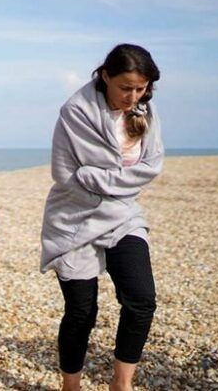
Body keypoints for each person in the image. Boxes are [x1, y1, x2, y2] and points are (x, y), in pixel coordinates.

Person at [40, 44, 163, 391]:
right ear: (105, 76)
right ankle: (71, 385)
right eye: (126, 87)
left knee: (141, 301)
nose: (133, 96)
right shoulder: (75, 112)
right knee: (82, 312)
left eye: (140, 89)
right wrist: (113, 183)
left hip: (123, 215)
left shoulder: (146, 111)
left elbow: (151, 167)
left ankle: (120, 385)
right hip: (74, 218)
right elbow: (65, 174)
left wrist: (96, 177)